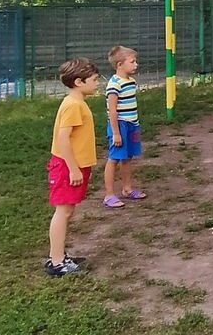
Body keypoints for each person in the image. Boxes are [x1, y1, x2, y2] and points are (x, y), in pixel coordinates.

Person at [46, 57, 100, 277]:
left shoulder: (77, 103)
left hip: (73, 165)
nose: (97, 83)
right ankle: (57, 262)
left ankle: (58, 256)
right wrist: (73, 168)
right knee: (64, 211)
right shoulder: (73, 105)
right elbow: (63, 139)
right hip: (67, 167)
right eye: (95, 80)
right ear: (79, 82)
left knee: (67, 210)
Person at [103, 46, 144, 208]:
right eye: (132, 62)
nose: (136, 64)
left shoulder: (131, 81)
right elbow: (112, 110)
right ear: (120, 64)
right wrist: (116, 133)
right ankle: (109, 195)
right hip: (119, 126)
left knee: (127, 158)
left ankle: (127, 189)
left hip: (132, 124)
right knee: (114, 158)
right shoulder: (114, 84)